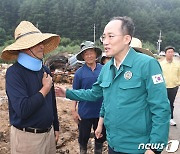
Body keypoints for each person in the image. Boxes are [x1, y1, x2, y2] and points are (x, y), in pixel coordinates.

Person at [55, 16, 170, 154]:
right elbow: (95, 93)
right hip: (113, 144)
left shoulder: (147, 64)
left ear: (127, 39)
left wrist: (155, 147)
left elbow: (161, 108)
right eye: (104, 37)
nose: (105, 42)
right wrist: (66, 93)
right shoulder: (107, 68)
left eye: (111, 36)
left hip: (138, 147)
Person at [1, 21, 60, 154]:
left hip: (49, 134)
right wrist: (44, 89)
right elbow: (23, 109)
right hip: (27, 139)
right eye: (36, 43)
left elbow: (52, 101)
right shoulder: (14, 73)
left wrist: (56, 126)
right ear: (24, 48)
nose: (42, 46)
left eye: (42, 42)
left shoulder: (44, 69)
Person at [72, 41, 106, 154]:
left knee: (100, 138)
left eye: (91, 53)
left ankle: (98, 151)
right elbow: (75, 93)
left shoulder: (104, 70)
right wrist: (74, 110)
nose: (89, 56)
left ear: (96, 54)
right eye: (86, 54)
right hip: (84, 112)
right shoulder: (79, 73)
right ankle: (83, 151)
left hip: (101, 113)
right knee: (83, 137)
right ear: (83, 56)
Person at [160, 46, 180, 126]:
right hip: (163, 87)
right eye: (169, 52)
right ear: (165, 53)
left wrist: (178, 82)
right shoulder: (161, 64)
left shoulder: (177, 64)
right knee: (162, 103)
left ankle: (170, 118)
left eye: (172, 52)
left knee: (171, 103)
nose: (171, 54)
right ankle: (162, 118)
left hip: (174, 86)